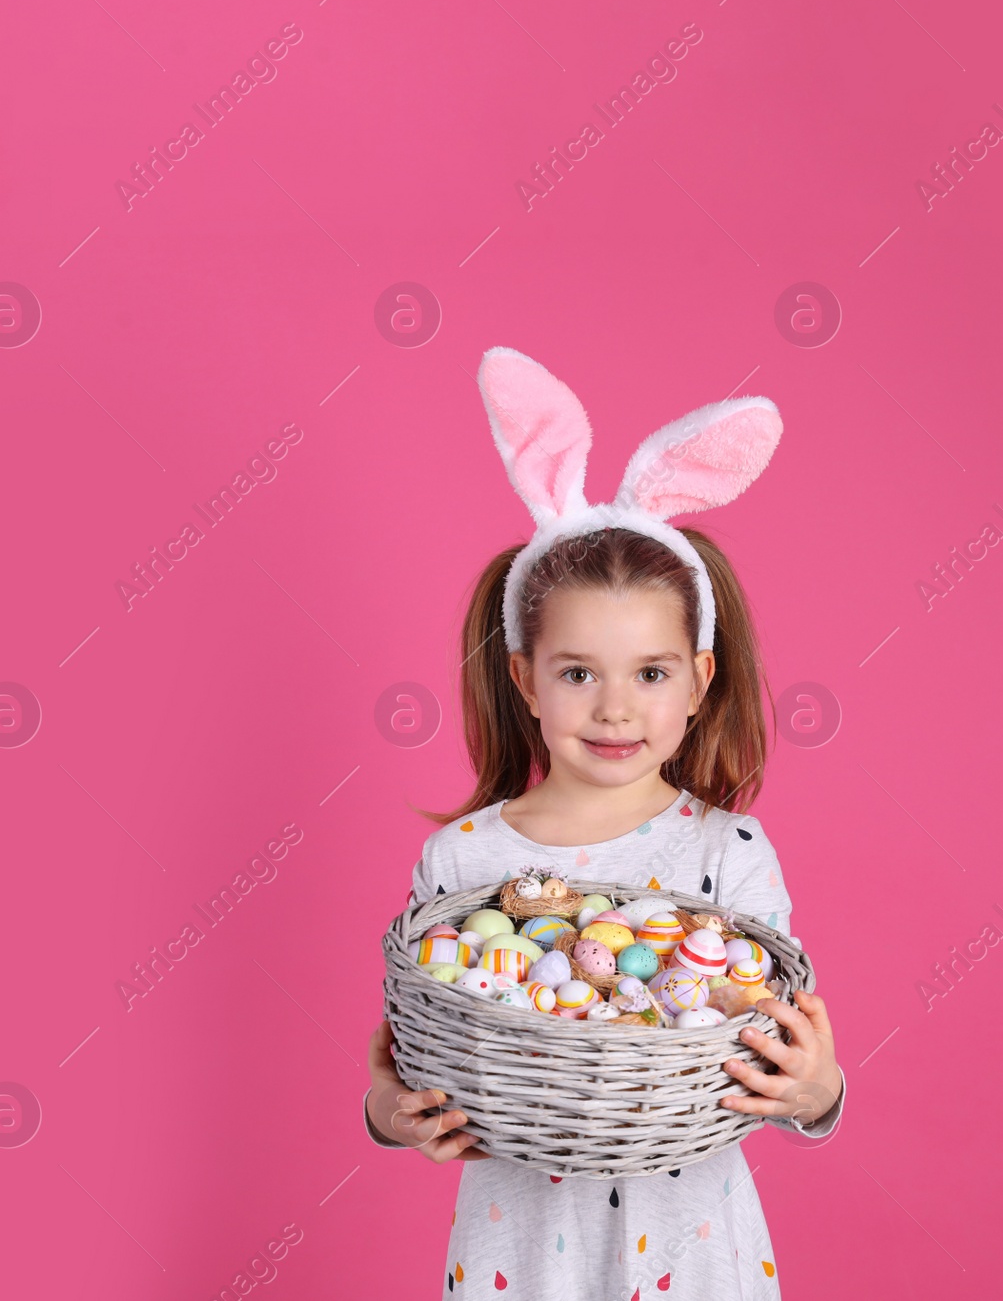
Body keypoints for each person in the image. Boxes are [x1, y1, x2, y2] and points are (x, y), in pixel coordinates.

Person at [364, 348, 845, 1296]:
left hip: (693, 1253)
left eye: (651, 674)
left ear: (700, 682)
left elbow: (779, 1054)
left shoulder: (727, 852)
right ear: (523, 680)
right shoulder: (466, 860)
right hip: (520, 1252)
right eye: (578, 672)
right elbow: (409, 1054)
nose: (615, 709)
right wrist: (389, 1114)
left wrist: (819, 1094)